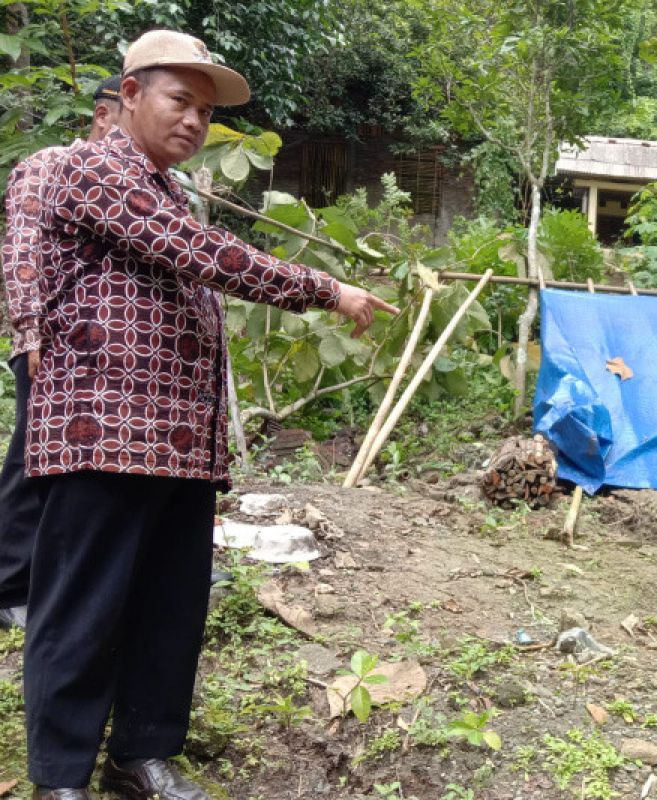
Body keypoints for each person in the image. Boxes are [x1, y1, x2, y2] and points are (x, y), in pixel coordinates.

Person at [22, 30, 399, 800]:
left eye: (203, 110)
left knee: (169, 604)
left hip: (178, 440)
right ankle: (61, 776)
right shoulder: (95, 169)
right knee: (83, 604)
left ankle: (141, 755)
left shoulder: (169, 185)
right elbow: (203, 254)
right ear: (129, 96)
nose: (194, 122)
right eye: (178, 101)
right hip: (103, 428)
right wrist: (325, 289)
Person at [0, 75, 124, 630]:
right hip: (52, 348)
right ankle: (9, 584)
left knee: (91, 476)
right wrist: (29, 330)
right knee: (33, 458)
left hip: (111, 359)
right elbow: (22, 245)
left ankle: (71, 581)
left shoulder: (146, 182)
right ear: (105, 115)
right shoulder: (49, 165)